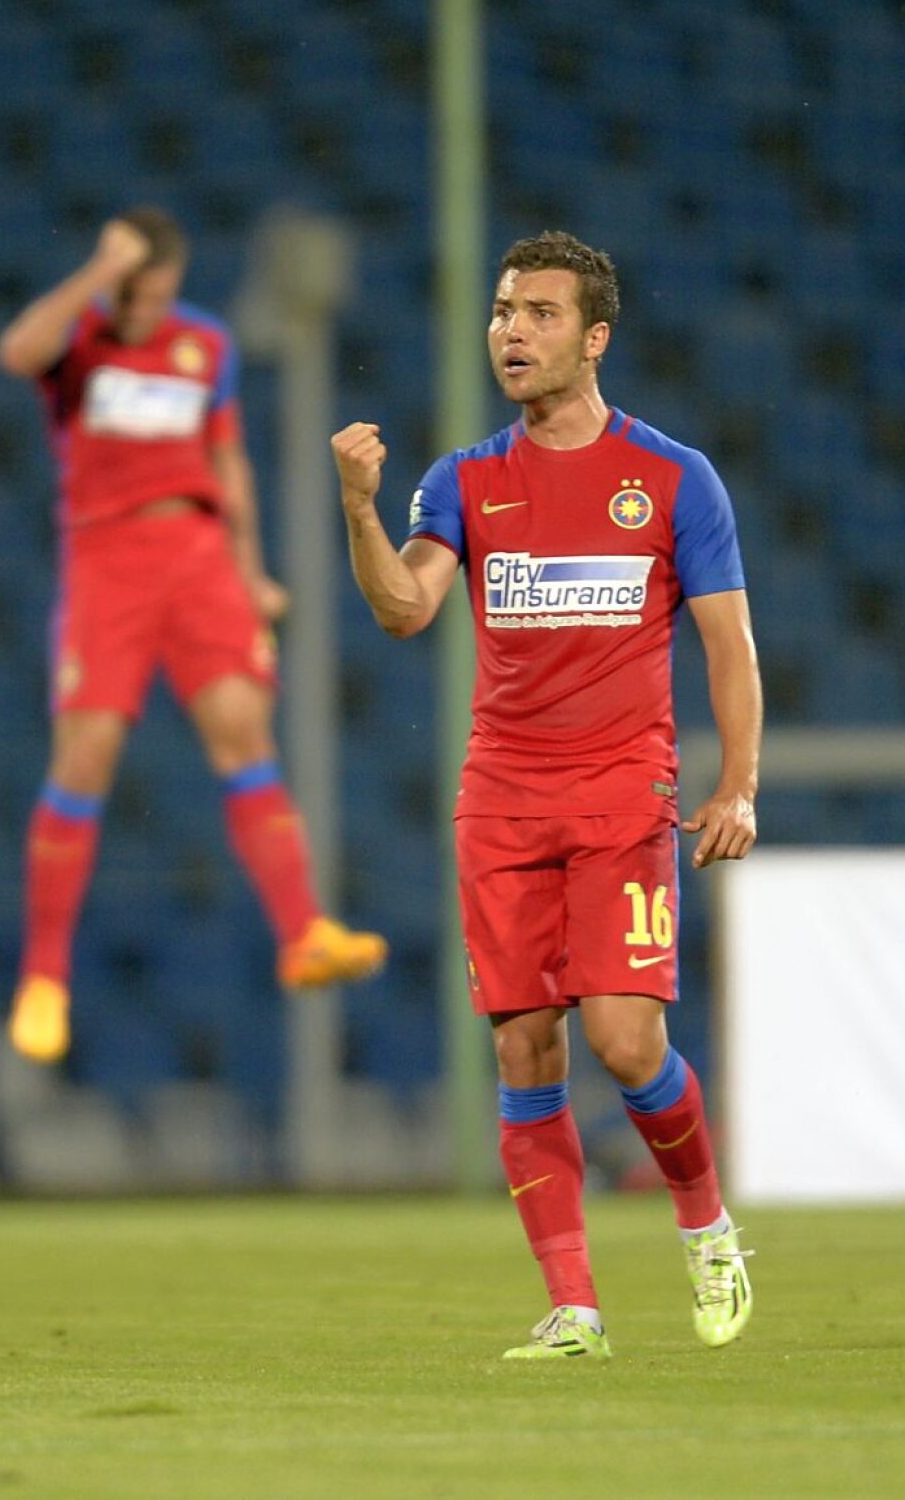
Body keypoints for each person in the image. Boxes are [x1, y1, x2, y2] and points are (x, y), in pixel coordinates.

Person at [331, 229, 761, 1360]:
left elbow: (730, 648)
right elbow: (403, 609)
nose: (512, 331)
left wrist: (740, 786)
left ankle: (705, 1225)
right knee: (525, 1049)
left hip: (623, 793)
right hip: (503, 800)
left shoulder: (672, 478)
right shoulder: (463, 479)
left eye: (540, 314)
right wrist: (360, 507)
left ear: (595, 337)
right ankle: (575, 1308)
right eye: (503, 311)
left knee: (625, 1043)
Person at [0, 206, 387, 1064]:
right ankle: (44, 976)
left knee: (244, 734)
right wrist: (101, 273)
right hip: (108, 556)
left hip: (199, 553)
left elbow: (228, 459)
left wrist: (249, 572)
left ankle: (303, 933)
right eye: (135, 292)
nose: (147, 308)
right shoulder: (79, 338)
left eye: (159, 292)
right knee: (85, 754)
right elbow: (17, 351)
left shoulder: (204, 344)